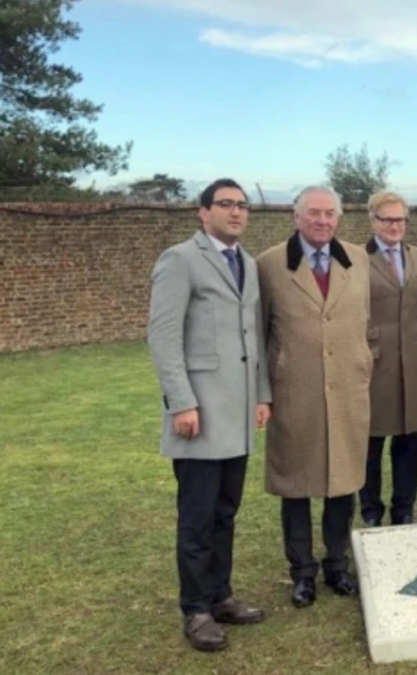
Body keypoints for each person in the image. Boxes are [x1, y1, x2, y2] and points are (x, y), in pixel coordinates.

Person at [146, 178, 271, 653]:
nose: (236, 212)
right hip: (198, 412)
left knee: (226, 512)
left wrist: (262, 395)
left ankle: (221, 596)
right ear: (203, 212)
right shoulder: (180, 260)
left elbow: (253, 336)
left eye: (242, 206)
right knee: (196, 517)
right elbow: (162, 336)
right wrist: (181, 402)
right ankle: (195, 609)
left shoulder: (249, 264)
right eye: (225, 204)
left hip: (237, 414)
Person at [257, 185, 371, 608]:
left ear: (339, 218)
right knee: (296, 483)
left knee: (343, 482)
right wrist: (264, 392)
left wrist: (360, 361)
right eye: (314, 214)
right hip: (296, 393)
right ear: (296, 216)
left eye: (330, 214)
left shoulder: (358, 259)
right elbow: (259, 330)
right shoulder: (268, 265)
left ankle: (337, 565)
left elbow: (364, 320)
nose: (322, 221)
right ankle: (301, 571)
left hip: (347, 390)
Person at [360, 191, 417, 527]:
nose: (395, 226)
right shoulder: (357, 259)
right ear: (374, 221)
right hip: (375, 362)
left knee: (411, 437)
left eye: (400, 219)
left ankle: (404, 508)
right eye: (387, 219)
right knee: (372, 440)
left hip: (414, 360)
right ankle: (371, 511)